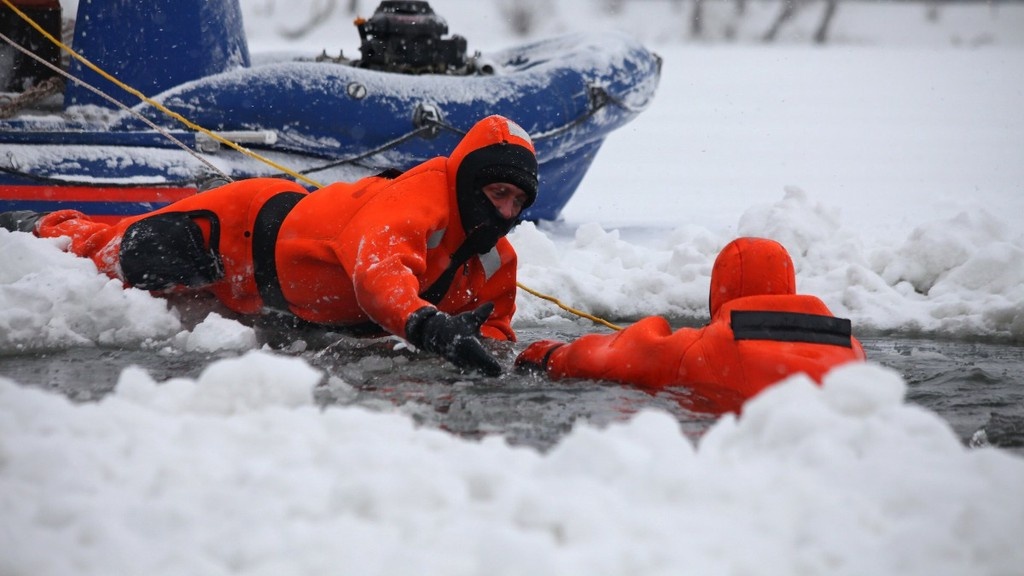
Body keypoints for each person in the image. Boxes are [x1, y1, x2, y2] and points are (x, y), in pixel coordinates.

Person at [1, 114, 539, 376]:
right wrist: (427, 326)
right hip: (237, 229)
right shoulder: (416, 200)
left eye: (518, 201)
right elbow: (379, 276)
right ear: (468, 184)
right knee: (119, 258)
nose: (506, 213)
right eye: (497, 193)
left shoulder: (495, 260)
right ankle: (45, 228)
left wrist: (489, 353)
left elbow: (495, 330)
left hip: (275, 296)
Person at [515, 237, 866, 405]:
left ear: (721, 290)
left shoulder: (704, 350)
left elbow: (611, 357)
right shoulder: (849, 348)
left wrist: (546, 354)